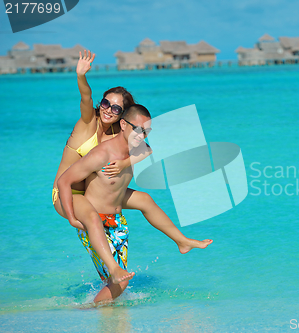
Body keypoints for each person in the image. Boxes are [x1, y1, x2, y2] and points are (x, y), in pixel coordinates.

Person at [52, 51, 212, 285]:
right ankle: (114, 269)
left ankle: (181, 241)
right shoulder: (88, 122)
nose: (108, 110)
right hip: (67, 193)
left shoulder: (123, 133)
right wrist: (81, 76)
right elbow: (86, 98)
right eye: (105, 103)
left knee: (145, 199)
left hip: (92, 193)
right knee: (92, 218)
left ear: (123, 116)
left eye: (116, 109)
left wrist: (125, 163)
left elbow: (147, 149)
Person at [58, 104, 158, 302]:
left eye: (146, 131)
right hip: (95, 223)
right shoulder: (101, 154)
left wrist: (124, 163)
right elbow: (63, 181)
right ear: (123, 124)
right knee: (119, 280)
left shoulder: (133, 149)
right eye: (137, 129)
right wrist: (70, 217)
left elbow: (148, 149)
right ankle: (88, 310)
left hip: (116, 223)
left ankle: (100, 315)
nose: (142, 135)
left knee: (118, 284)